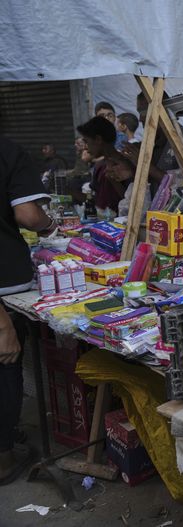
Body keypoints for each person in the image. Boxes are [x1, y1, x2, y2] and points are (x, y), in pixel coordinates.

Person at [1, 137, 58, 485]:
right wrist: (49, 224)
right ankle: (3, 458)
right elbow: (28, 214)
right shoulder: (7, 151)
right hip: (5, 283)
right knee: (5, 364)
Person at [120, 92, 183, 198]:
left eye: (144, 111)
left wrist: (144, 163)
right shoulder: (156, 140)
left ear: (161, 110)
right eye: (139, 112)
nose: (140, 119)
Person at [77, 116, 126, 218]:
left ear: (98, 139)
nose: (85, 147)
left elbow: (130, 201)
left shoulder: (125, 165)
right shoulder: (100, 166)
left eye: (87, 142)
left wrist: (113, 180)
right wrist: (69, 191)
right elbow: (96, 200)